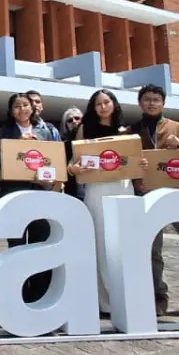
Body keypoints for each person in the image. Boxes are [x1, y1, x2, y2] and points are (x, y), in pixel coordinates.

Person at [65, 88, 148, 314]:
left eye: (106, 102)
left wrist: (141, 165)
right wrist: (73, 169)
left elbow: (136, 162)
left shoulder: (126, 131)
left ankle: (127, 295)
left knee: (123, 242)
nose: (103, 107)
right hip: (97, 189)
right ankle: (105, 300)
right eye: (98, 104)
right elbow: (72, 163)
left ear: (114, 104)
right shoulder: (85, 129)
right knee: (101, 242)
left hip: (123, 187)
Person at [131, 83, 179, 315]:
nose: (152, 103)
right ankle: (158, 297)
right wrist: (136, 179)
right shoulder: (132, 131)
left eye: (156, 99)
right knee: (153, 249)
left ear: (163, 103)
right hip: (147, 195)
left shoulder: (178, 127)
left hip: (176, 193)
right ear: (140, 103)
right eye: (147, 99)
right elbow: (126, 162)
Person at [0, 92, 62, 303]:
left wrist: (50, 180)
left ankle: (40, 295)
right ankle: (18, 295)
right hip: (14, 193)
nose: (22, 109)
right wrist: (16, 146)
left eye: (26, 105)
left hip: (40, 193)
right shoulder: (1, 132)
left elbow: (54, 160)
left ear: (33, 108)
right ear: (11, 111)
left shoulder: (45, 131)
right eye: (17, 106)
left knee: (41, 243)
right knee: (17, 246)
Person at [59, 106, 84, 199]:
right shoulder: (63, 146)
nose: (74, 121)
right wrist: (71, 170)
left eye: (77, 118)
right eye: (70, 120)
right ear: (66, 125)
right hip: (72, 192)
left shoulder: (92, 141)